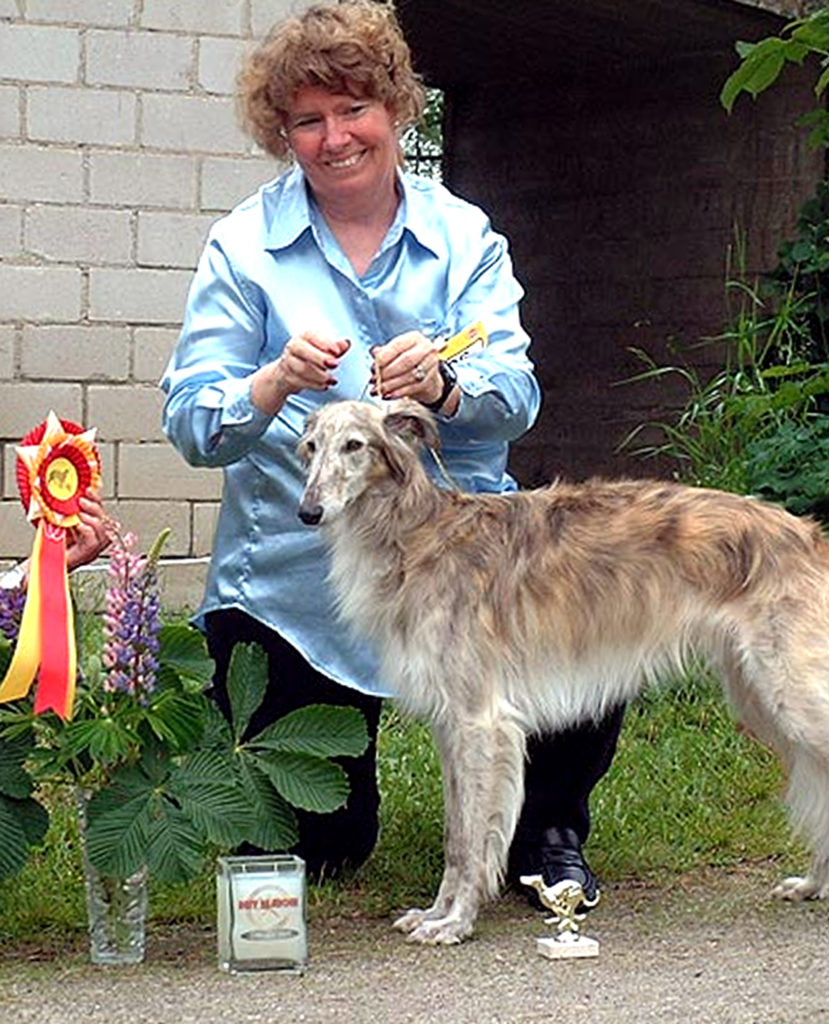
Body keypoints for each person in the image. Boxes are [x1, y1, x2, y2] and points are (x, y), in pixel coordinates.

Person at [160, 0, 625, 903]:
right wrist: (271, 385)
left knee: (592, 627)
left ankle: (548, 832)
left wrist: (447, 391)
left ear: (395, 108)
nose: (334, 138)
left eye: (353, 110)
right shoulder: (243, 248)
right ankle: (352, 813)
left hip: (466, 558)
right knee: (327, 850)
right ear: (283, 133)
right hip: (298, 583)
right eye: (307, 120)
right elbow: (189, 423)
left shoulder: (465, 239)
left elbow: (516, 399)